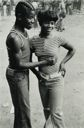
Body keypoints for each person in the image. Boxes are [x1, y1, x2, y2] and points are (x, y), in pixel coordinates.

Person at [6, 1, 55, 128]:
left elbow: (27, 58)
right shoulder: (14, 38)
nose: (33, 21)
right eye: (30, 18)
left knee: (21, 110)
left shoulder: (24, 32)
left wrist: (37, 74)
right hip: (17, 75)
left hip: (22, 74)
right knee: (24, 112)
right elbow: (19, 64)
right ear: (19, 17)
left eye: (34, 17)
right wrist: (44, 62)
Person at [30, 9, 76, 128]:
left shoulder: (58, 38)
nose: (50, 25)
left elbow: (72, 50)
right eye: (47, 22)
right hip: (42, 81)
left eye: (52, 22)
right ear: (40, 22)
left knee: (56, 114)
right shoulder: (33, 41)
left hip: (56, 80)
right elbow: (28, 61)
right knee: (47, 110)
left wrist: (63, 63)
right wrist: (36, 74)